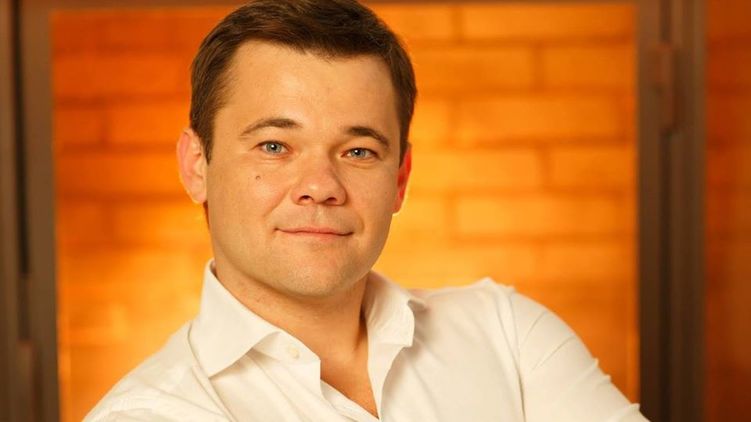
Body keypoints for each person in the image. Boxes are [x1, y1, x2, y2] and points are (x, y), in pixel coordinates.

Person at [86, 1, 648, 421]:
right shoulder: (152, 413)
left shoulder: (509, 335)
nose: (320, 187)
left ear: (400, 178)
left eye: (358, 151)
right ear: (197, 166)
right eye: (274, 146)